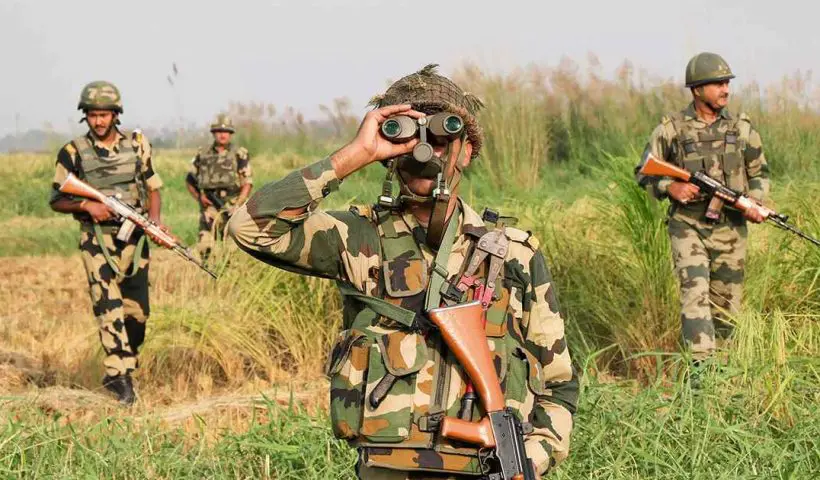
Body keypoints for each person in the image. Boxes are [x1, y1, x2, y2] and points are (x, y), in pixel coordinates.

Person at [228, 65, 577, 478]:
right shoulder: (357, 238)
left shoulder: (513, 255)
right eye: (404, 134)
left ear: (467, 150)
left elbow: (559, 385)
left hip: (488, 466)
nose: (424, 149)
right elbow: (250, 228)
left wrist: (531, 460)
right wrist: (354, 155)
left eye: (443, 135)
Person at [635, 53, 770, 361]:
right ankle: (701, 374)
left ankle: (722, 378)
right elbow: (644, 171)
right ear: (697, 90)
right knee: (695, 296)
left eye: (727, 83)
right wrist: (671, 187)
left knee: (727, 307)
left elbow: (760, 173)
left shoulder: (742, 129)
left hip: (732, 229)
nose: (725, 89)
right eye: (717, 83)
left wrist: (756, 203)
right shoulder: (672, 129)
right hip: (688, 225)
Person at [49, 81, 171, 405]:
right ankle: (118, 377)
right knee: (109, 307)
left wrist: (154, 222)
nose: (99, 121)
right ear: (85, 116)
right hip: (96, 240)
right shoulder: (73, 152)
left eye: (104, 114)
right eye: (92, 115)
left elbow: (153, 185)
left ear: (115, 114)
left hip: (134, 237)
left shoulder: (137, 144)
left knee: (138, 314)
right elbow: (57, 198)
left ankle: (126, 363)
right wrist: (87, 206)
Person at [185, 114, 252, 261]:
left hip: (232, 206)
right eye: (219, 131)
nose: (223, 135)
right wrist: (200, 198)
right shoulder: (203, 154)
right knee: (205, 249)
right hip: (209, 209)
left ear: (231, 134)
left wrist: (239, 203)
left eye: (226, 131)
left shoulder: (239, 154)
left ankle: (230, 280)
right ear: (214, 133)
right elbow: (189, 180)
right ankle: (209, 278)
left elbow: (247, 182)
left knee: (232, 252)